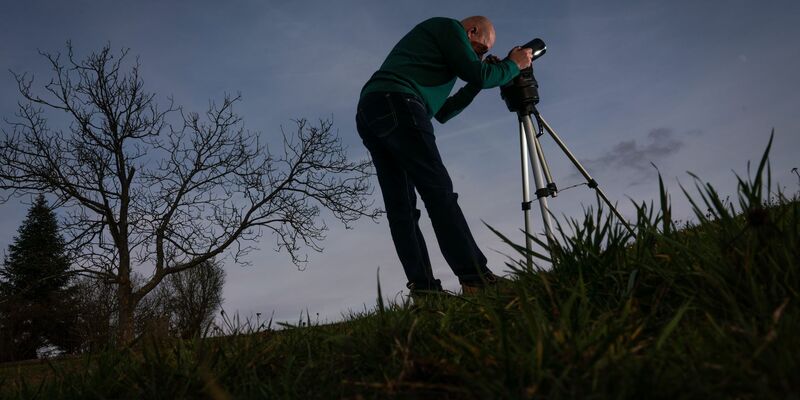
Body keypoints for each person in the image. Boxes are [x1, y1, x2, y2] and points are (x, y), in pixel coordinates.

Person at [355, 16, 533, 297]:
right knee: (439, 192)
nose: (479, 56)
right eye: (480, 49)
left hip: (374, 109)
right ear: (471, 31)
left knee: (401, 208)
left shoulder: (437, 62)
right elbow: (481, 75)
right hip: (398, 100)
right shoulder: (449, 28)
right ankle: (475, 279)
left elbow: (444, 112)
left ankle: (425, 293)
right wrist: (514, 64)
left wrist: (478, 81)